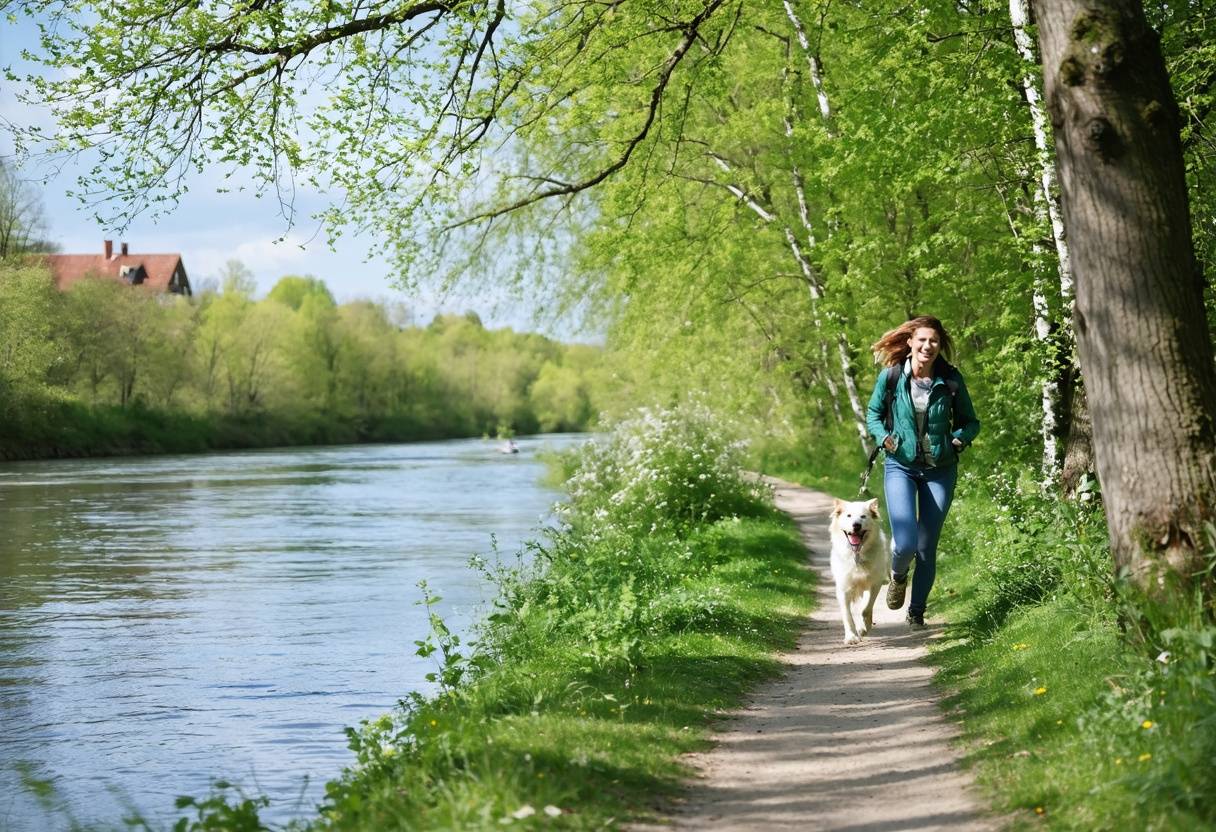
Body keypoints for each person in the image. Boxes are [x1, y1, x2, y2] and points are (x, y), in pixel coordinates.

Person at [865, 316, 980, 629]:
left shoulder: (951, 380)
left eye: (935, 341)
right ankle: (899, 575)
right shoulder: (891, 377)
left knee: (927, 547)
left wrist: (960, 438)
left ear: (939, 346)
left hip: (940, 470)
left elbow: (972, 421)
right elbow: (873, 415)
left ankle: (916, 612)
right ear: (911, 343)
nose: (928, 346)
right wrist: (882, 436)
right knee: (905, 543)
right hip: (901, 465)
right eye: (923, 340)